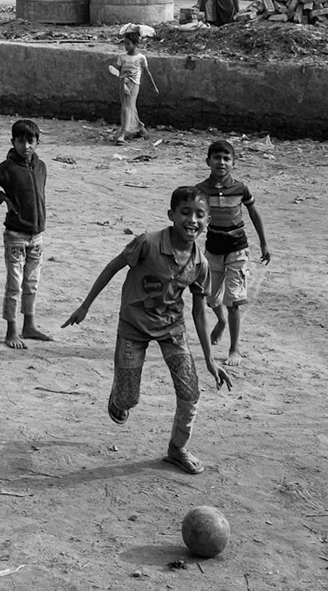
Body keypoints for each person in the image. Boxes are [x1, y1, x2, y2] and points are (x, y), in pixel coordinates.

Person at [62, 185, 232, 475]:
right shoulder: (148, 243)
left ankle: (177, 449)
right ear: (171, 215)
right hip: (134, 326)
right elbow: (113, 267)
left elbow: (198, 311)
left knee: (190, 392)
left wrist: (210, 360)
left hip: (171, 329)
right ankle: (119, 397)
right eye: (185, 212)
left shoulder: (199, 263)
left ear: (208, 221)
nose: (192, 220)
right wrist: (85, 306)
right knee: (127, 400)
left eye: (200, 215)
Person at [0, 119, 52, 350]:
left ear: (37, 142)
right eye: (20, 141)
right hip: (16, 235)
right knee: (15, 284)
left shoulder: (41, 167)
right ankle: (11, 330)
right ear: (13, 142)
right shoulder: (7, 168)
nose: (26, 146)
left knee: (32, 282)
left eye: (30, 141)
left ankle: (29, 325)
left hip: (37, 235)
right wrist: (3, 199)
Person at [195, 139, 272, 364]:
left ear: (234, 163)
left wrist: (264, 243)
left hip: (237, 249)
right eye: (217, 158)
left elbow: (254, 213)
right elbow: (195, 218)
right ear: (208, 161)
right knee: (210, 297)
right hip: (213, 249)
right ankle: (221, 321)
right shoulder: (201, 190)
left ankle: (234, 348)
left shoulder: (240, 188)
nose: (221, 162)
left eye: (226, 158)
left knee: (234, 300)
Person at [110, 24, 154, 141]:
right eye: (125, 44)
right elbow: (119, 70)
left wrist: (153, 86)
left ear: (135, 44)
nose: (126, 46)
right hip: (123, 83)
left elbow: (147, 72)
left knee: (126, 108)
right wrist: (116, 73)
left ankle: (123, 133)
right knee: (129, 107)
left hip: (134, 84)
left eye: (128, 44)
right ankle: (140, 128)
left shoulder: (141, 58)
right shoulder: (122, 57)